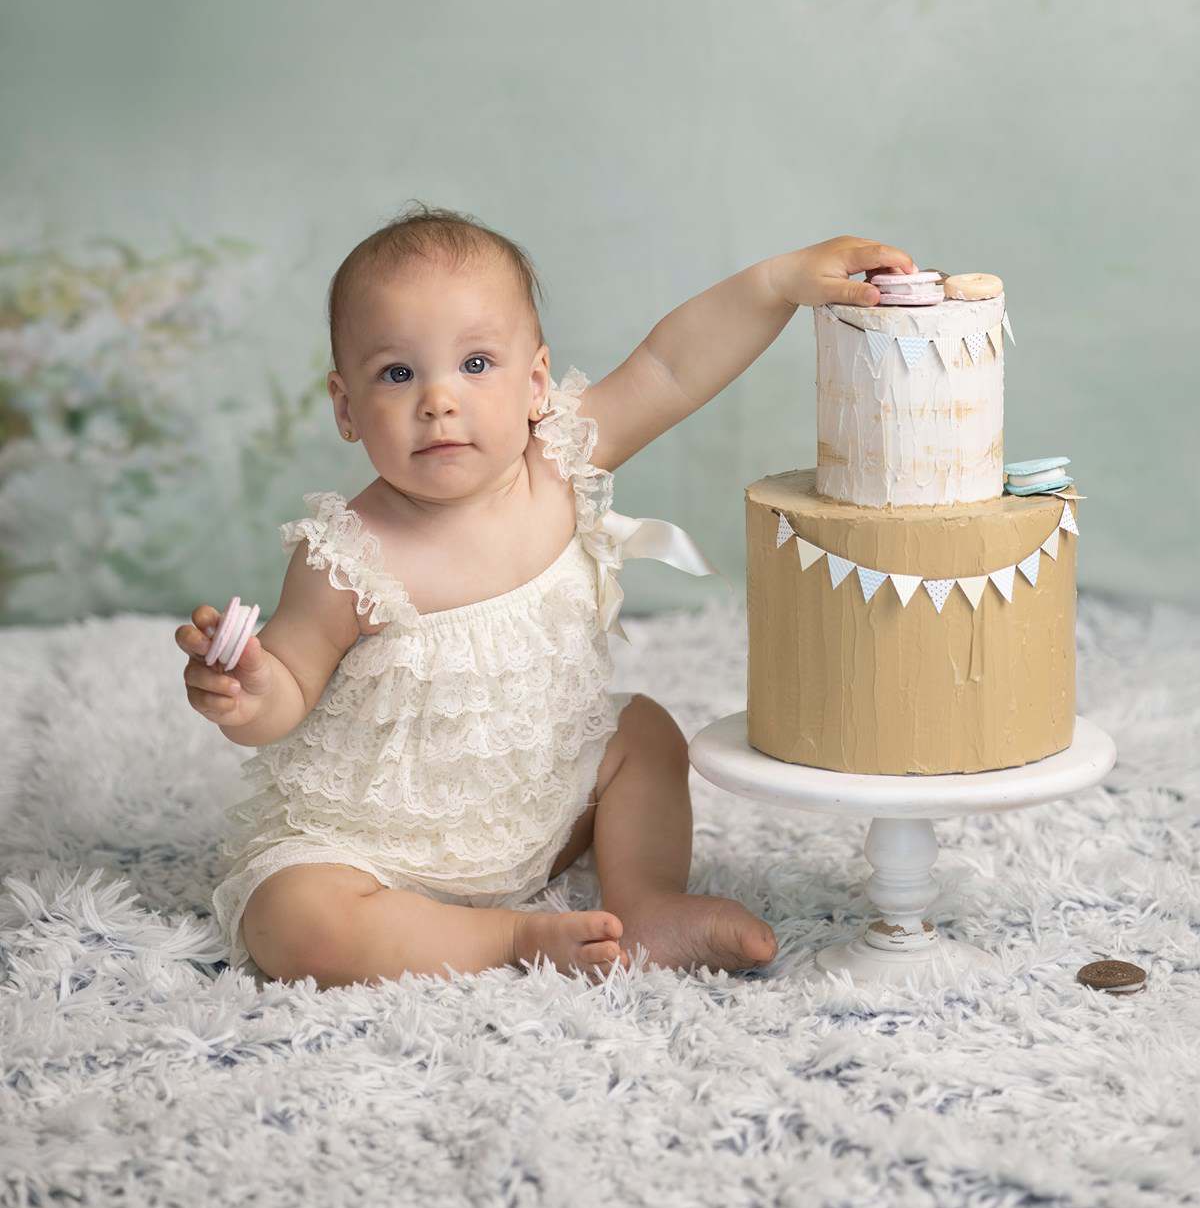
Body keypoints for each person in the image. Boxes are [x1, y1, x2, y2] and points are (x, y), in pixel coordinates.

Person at [178, 205, 915, 988]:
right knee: (294, 924)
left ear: (534, 383)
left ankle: (647, 904)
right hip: (378, 848)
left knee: (641, 732)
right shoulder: (345, 556)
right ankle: (509, 940)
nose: (438, 400)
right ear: (345, 408)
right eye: (397, 374)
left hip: (539, 805)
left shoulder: (559, 461)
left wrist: (775, 284)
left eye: (475, 364)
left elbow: (670, 369)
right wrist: (247, 690)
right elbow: (286, 690)